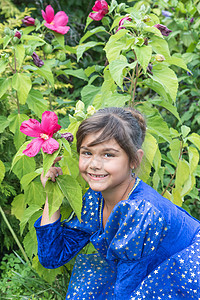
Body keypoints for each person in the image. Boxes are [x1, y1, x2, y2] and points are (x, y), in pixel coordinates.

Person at [34, 107, 200, 300]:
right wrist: (51, 193)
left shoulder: (141, 211)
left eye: (108, 155)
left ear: (134, 160)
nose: (94, 164)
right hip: (147, 273)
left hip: (183, 276)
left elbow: (128, 287)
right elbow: (52, 256)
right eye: (87, 152)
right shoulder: (95, 199)